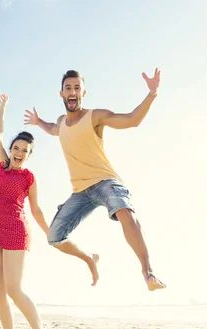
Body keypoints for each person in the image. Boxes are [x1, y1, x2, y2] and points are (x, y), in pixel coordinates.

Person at [24, 68, 166, 291]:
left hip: (105, 181)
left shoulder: (95, 117)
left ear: (83, 93)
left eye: (77, 88)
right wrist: (38, 121)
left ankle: (148, 273)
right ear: (61, 93)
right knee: (54, 236)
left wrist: (152, 93)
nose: (73, 92)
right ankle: (90, 258)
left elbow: (131, 120)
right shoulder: (61, 123)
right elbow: (52, 129)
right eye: (68, 88)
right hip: (80, 193)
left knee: (124, 211)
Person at [0, 94, 49, 329]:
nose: (19, 152)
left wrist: (50, 232)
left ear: (29, 155)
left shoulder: (28, 177)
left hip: (15, 230)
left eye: (25, 150)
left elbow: (35, 209)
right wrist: (2, 110)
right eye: (17, 147)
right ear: (11, 149)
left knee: (14, 289)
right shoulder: (1, 165)